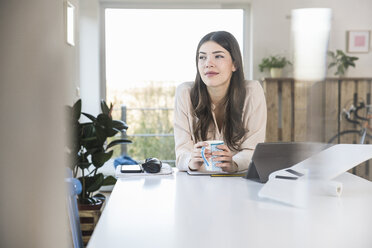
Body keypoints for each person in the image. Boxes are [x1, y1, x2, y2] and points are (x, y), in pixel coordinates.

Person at [174, 31, 267, 173]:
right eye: (202, 57)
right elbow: (182, 153)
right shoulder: (185, 93)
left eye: (218, 56)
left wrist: (234, 163)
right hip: (197, 183)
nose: (208, 64)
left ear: (234, 64)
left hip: (236, 181)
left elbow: (252, 150)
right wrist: (191, 161)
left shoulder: (252, 91)